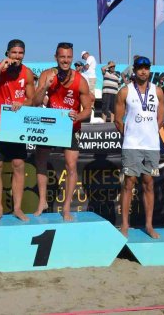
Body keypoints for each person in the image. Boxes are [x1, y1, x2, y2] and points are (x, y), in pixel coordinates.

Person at [0, 39, 36, 222]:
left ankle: (17, 208)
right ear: (7, 53)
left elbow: (32, 99)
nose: (17, 56)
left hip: (15, 128)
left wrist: (23, 103)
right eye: (14, 53)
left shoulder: (27, 73)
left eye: (20, 53)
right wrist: (0, 66)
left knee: (18, 166)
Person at [33, 42, 93, 221]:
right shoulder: (46, 74)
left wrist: (78, 116)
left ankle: (66, 207)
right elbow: (35, 102)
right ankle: (42, 202)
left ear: (72, 58)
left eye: (68, 57)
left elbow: (88, 109)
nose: (65, 60)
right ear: (56, 58)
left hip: (70, 126)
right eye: (62, 57)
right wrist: (45, 87)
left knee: (71, 165)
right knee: (41, 160)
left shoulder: (80, 80)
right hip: (51, 125)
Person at [114, 56, 164, 238]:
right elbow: (117, 120)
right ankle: (125, 225)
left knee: (149, 183)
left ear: (149, 70)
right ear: (134, 70)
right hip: (132, 145)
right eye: (140, 68)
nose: (143, 71)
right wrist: (129, 136)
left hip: (151, 145)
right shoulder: (125, 91)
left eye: (146, 68)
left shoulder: (158, 91)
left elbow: (160, 118)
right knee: (128, 184)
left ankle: (149, 225)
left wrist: (151, 131)